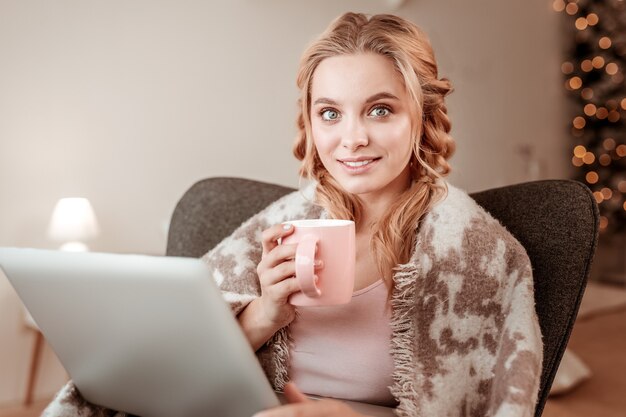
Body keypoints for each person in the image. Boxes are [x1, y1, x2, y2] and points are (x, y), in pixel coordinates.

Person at [43, 11, 542, 417]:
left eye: (380, 109)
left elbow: (482, 406)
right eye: (330, 113)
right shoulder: (274, 226)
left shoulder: (476, 255)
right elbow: (176, 365)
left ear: (423, 116)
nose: (352, 138)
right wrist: (263, 313)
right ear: (310, 121)